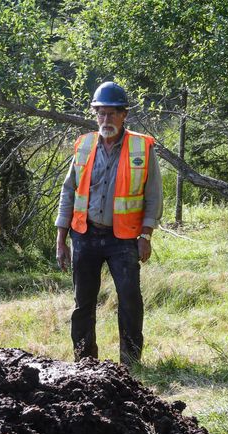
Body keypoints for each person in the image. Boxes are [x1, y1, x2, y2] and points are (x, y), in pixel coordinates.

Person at [55, 82, 163, 366]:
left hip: (124, 239)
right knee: (83, 304)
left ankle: (130, 363)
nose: (106, 120)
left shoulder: (142, 147)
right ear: (95, 114)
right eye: (101, 113)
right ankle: (85, 362)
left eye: (112, 114)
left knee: (129, 301)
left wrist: (146, 235)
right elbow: (68, 191)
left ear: (124, 115)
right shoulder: (84, 145)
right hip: (85, 235)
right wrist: (61, 240)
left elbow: (153, 195)